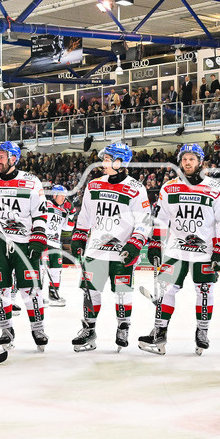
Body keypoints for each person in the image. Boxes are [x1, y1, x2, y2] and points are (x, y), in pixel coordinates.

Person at [138, 143, 220, 355]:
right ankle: (159, 331)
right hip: (176, 250)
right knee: (166, 289)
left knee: (204, 291)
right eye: (185, 159)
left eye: (192, 159)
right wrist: (155, 242)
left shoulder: (215, 189)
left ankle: (202, 332)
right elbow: (160, 218)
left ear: (200, 162)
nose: (188, 163)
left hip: (205, 250)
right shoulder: (169, 187)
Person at [69, 142, 151, 352]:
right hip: (95, 250)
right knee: (90, 291)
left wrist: (135, 243)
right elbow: (85, 215)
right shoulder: (94, 185)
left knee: (122, 292)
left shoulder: (136, 188)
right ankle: (89, 329)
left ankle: (123, 327)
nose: (103, 163)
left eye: (107, 159)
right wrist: (79, 236)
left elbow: (144, 221)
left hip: (122, 252)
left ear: (120, 162)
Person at [0, 141, 49, 351]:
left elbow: (40, 213)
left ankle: (38, 328)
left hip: (25, 243)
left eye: (2, 157)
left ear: (14, 158)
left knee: (30, 288)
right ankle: (6, 330)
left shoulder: (31, 181)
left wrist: (38, 236)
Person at [44, 184, 75, 307]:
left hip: (56, 244)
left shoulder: (63, 211)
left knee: (56, 270)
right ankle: (40, 295)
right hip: (44, 242)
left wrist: (71, 213)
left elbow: (68, 228)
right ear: (54, 195)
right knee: (42, 270)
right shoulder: (46, 204)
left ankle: (54, 294)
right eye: (61, 196)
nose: (63, 198)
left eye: (65, 196)